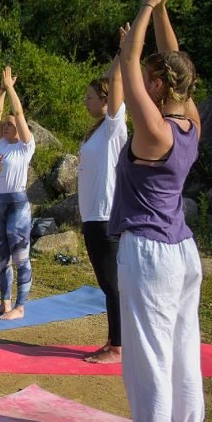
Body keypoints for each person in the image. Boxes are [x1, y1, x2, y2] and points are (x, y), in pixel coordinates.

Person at [108, 0, 205, 422]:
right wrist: (164, 8)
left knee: (148, 351)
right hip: (185, 251)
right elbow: (173, 61)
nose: (142, 75)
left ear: (160, 84)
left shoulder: (153, 131)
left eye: (152, 77)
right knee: (184, 346)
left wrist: (146, 2)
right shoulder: (189, 120)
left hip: (148, 251)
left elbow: (129, 59)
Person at [79, 38, 128, 364]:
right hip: (93, 216)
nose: (86, 101)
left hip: (105, 215)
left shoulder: (113, 126)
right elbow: (111, 82)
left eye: (91, 97)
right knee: (108, 283)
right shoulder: (99, 131)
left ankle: (117, 347)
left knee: (112, 284)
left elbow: (116, 83)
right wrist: (118, 52)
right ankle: (115, 340)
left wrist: (126, 51)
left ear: (106, 101)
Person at [0, 66, 35, 320]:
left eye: (10, 124)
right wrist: (2, 90)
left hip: (17, 205)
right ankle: (5, 302)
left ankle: (20, 306)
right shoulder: (2, 144)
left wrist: (12, 88)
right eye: (4, 124)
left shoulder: (26, 147)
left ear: (20, 127)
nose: (5, 124)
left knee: (20, 255)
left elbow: (18, 112)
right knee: (2, 255)